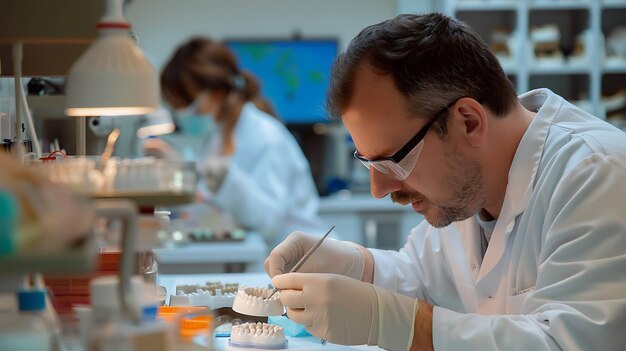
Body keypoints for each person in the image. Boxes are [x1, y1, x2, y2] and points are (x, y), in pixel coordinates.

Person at [265, 13, 626, 351]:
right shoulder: (467, 184)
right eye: (367, 162)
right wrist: (356, 266)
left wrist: (410, 329)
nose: (379, 190)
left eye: (393, 160)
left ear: (468, 121)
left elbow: (571, 342)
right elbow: (423, 277)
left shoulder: (596, 174)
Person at [152, 37, 324, 247]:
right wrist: (185, 173)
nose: (181, 115)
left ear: (216, 93)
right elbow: (212, 200)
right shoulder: (218, 135)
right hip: (266, 255)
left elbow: (269, 220)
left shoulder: (265, 136)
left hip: (303, 257)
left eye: (187, 105)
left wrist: (225, 178)